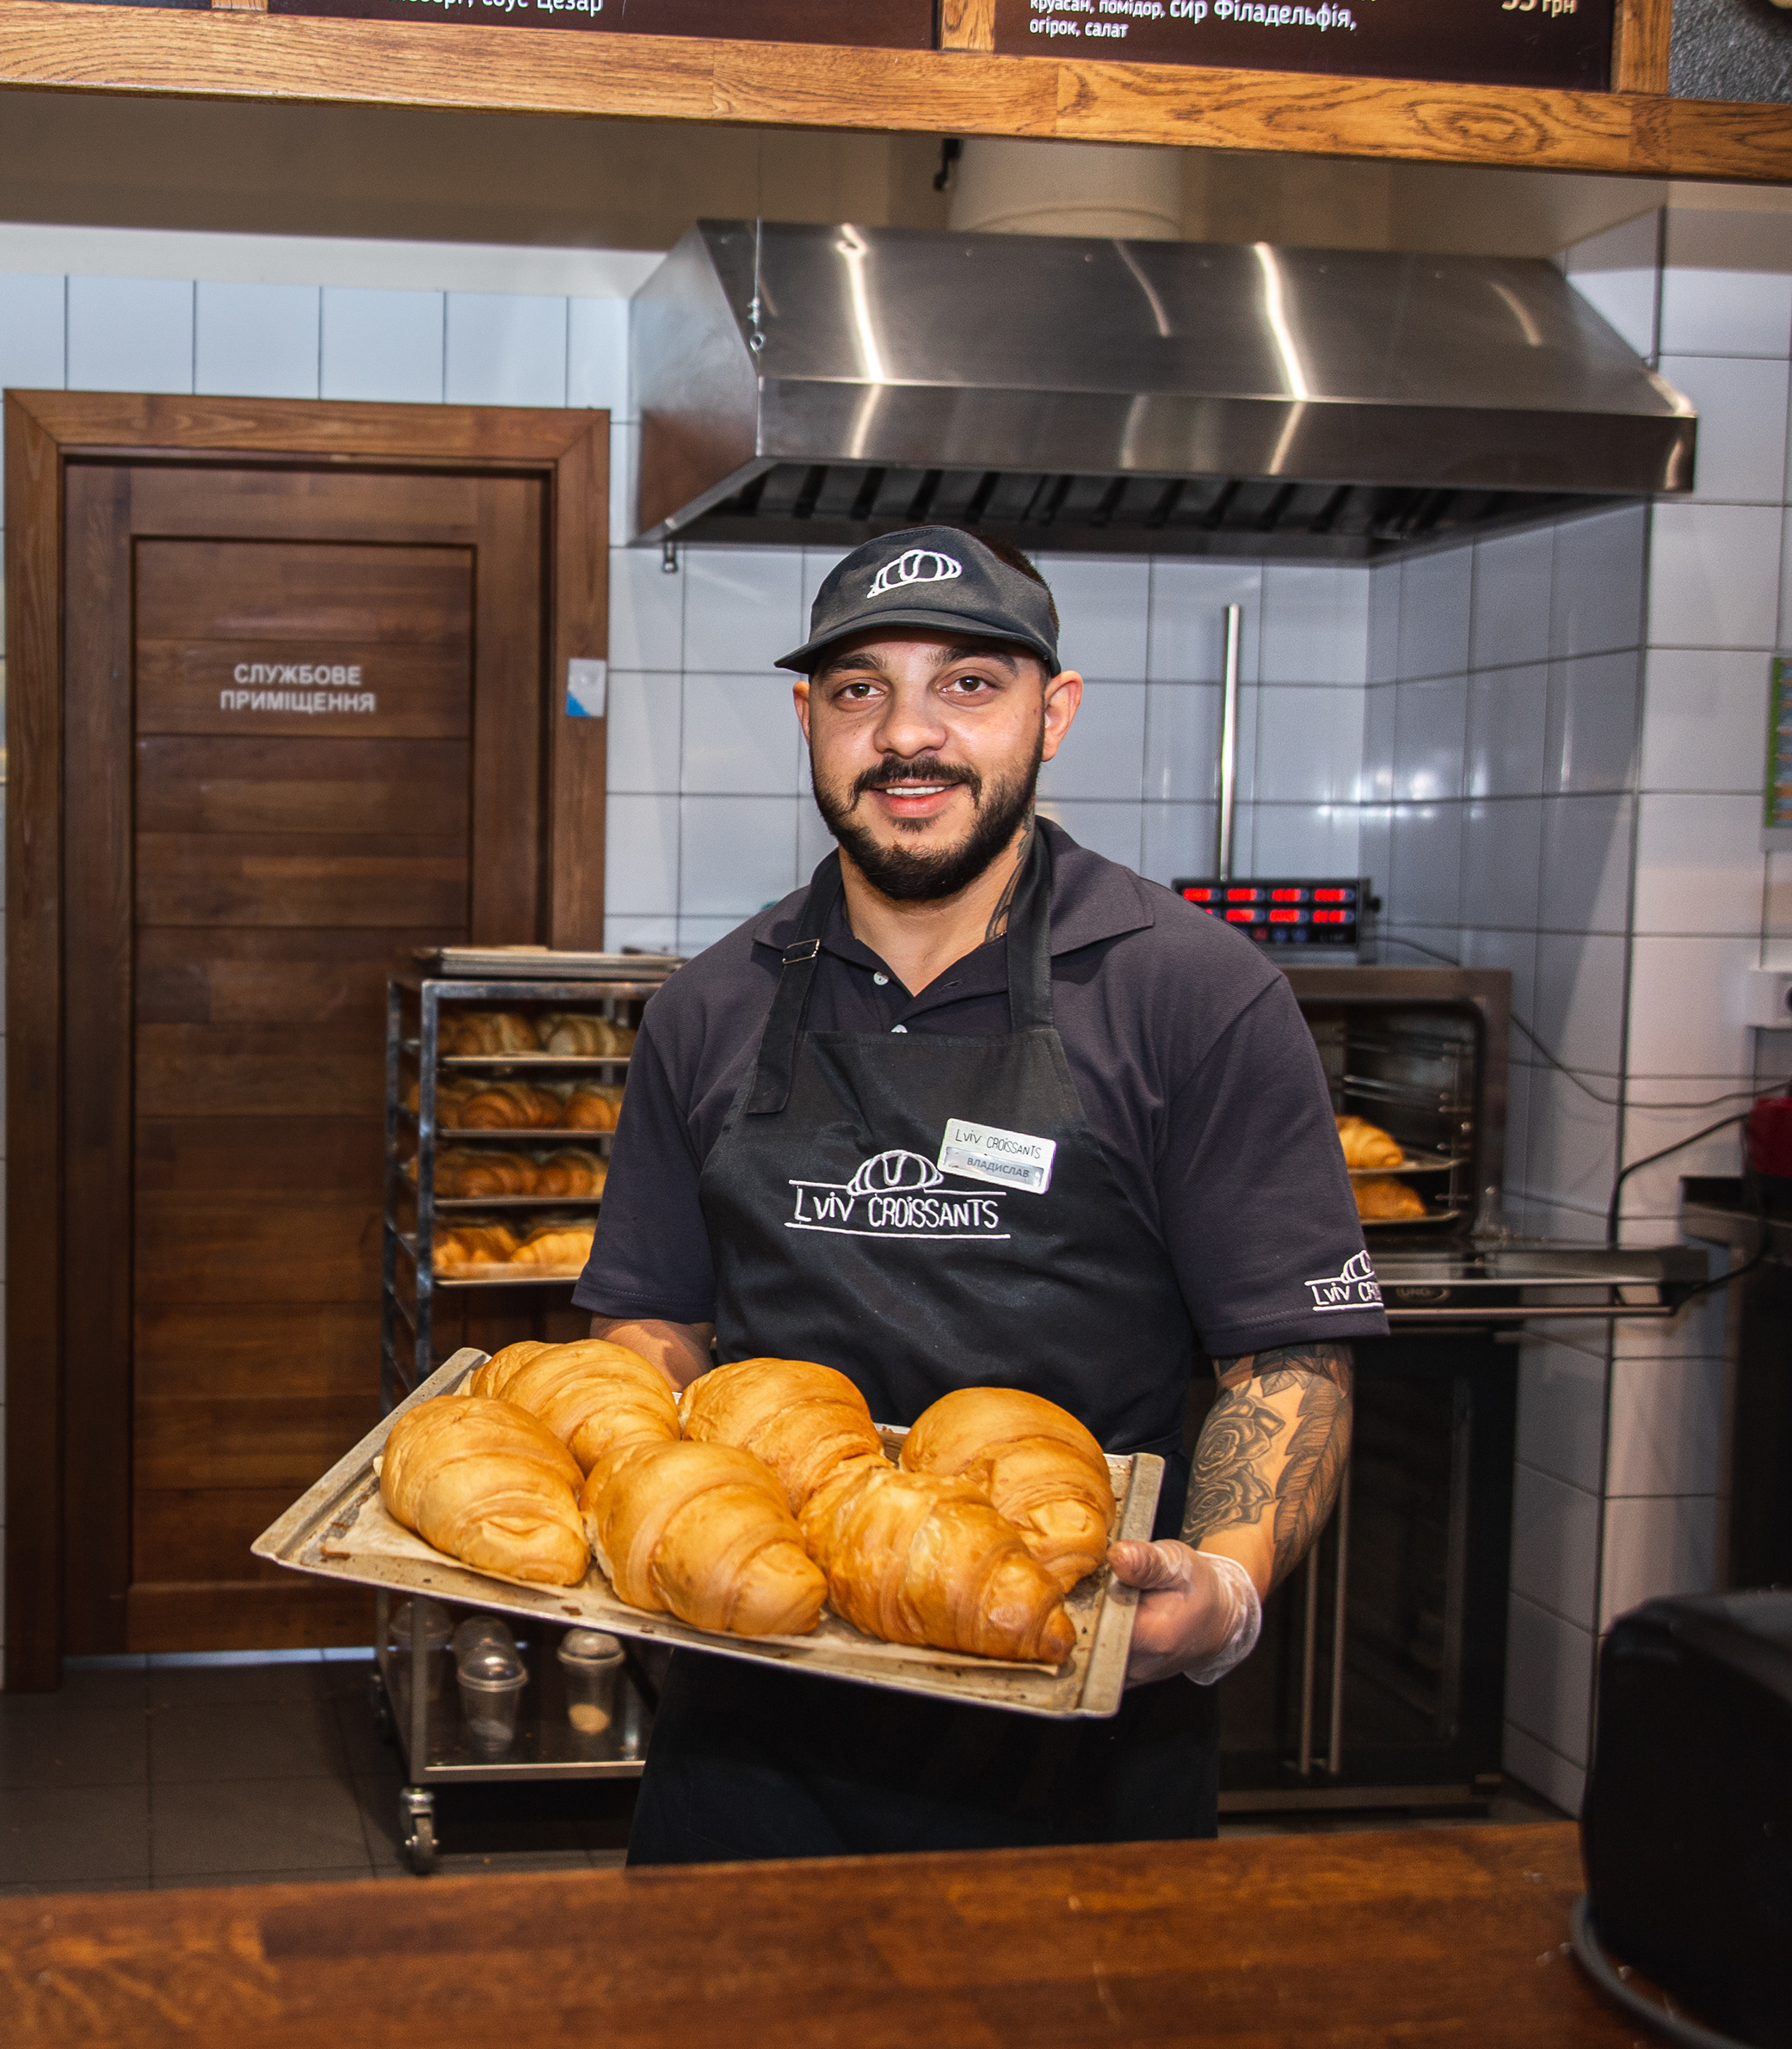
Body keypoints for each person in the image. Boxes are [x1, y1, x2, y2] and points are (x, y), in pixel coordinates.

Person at [576, 524, 1381, 1861]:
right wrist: (633, 1491)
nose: (909, 735)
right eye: (860, 690)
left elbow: (1289, 1355)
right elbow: (652, 1321)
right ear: (809, 721)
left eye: (968, 683)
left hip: (1078, 1722)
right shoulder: (710, 1006)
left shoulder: (1194, 994)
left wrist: (1230, 1588)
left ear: (1051, 715)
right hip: (760, 1715)